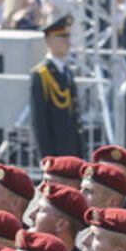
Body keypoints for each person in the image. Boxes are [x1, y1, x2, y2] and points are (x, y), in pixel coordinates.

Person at [28, 14, 83, 160]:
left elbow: (74, 116)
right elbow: (39, 120)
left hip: (71, 150)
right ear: (49, 41)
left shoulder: (67, 72)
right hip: (54, 151)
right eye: (62, 37)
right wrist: (46, 157)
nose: (68, 42)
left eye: (68, 37)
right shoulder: (41, 74)